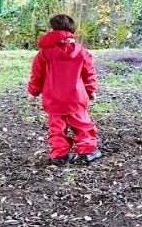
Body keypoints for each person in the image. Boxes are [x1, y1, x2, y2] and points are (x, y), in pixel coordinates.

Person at [27, 14, 101, 166]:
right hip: (76, 97)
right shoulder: (81, 52)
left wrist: (33, 92)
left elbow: (37, 75)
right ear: (72, 29)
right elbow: (89, 73)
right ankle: (87, 151)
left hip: (53, 98)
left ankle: (60, 155)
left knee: (57, 128)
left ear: (52, 29)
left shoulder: (44, 53)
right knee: (82, 124)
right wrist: (91, 90)